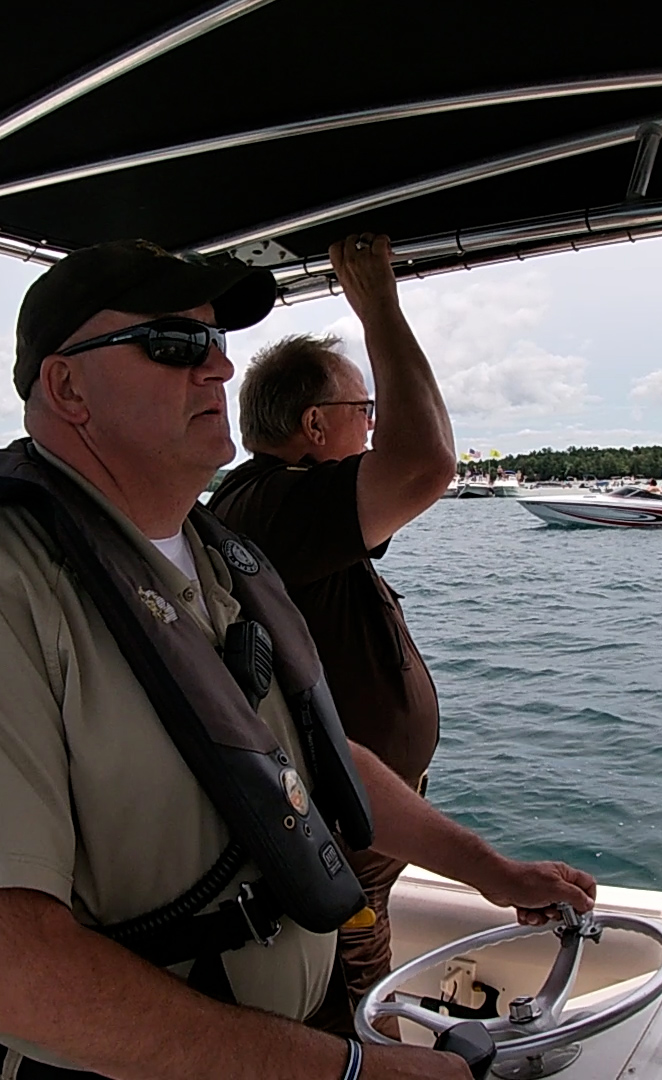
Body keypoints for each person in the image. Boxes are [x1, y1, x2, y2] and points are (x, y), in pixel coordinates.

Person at [0, 238, 595, 1080]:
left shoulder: (219, 562)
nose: (217, 368)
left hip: (304, 1032)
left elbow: (306, 762)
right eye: (176, 345)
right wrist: (350, 1074)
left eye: (216, 343)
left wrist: (488, 870)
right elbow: (13, 976)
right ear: (66, 386)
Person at [208, 234, 455, 1028]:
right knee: (347, 1007)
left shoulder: (293, 506)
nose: (375, 426)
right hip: (337, 829)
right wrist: (378, 304)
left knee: (361, 975)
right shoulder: (275, 502)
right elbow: (424, 463)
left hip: (364, 826)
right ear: (315, 425)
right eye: (364, 412)